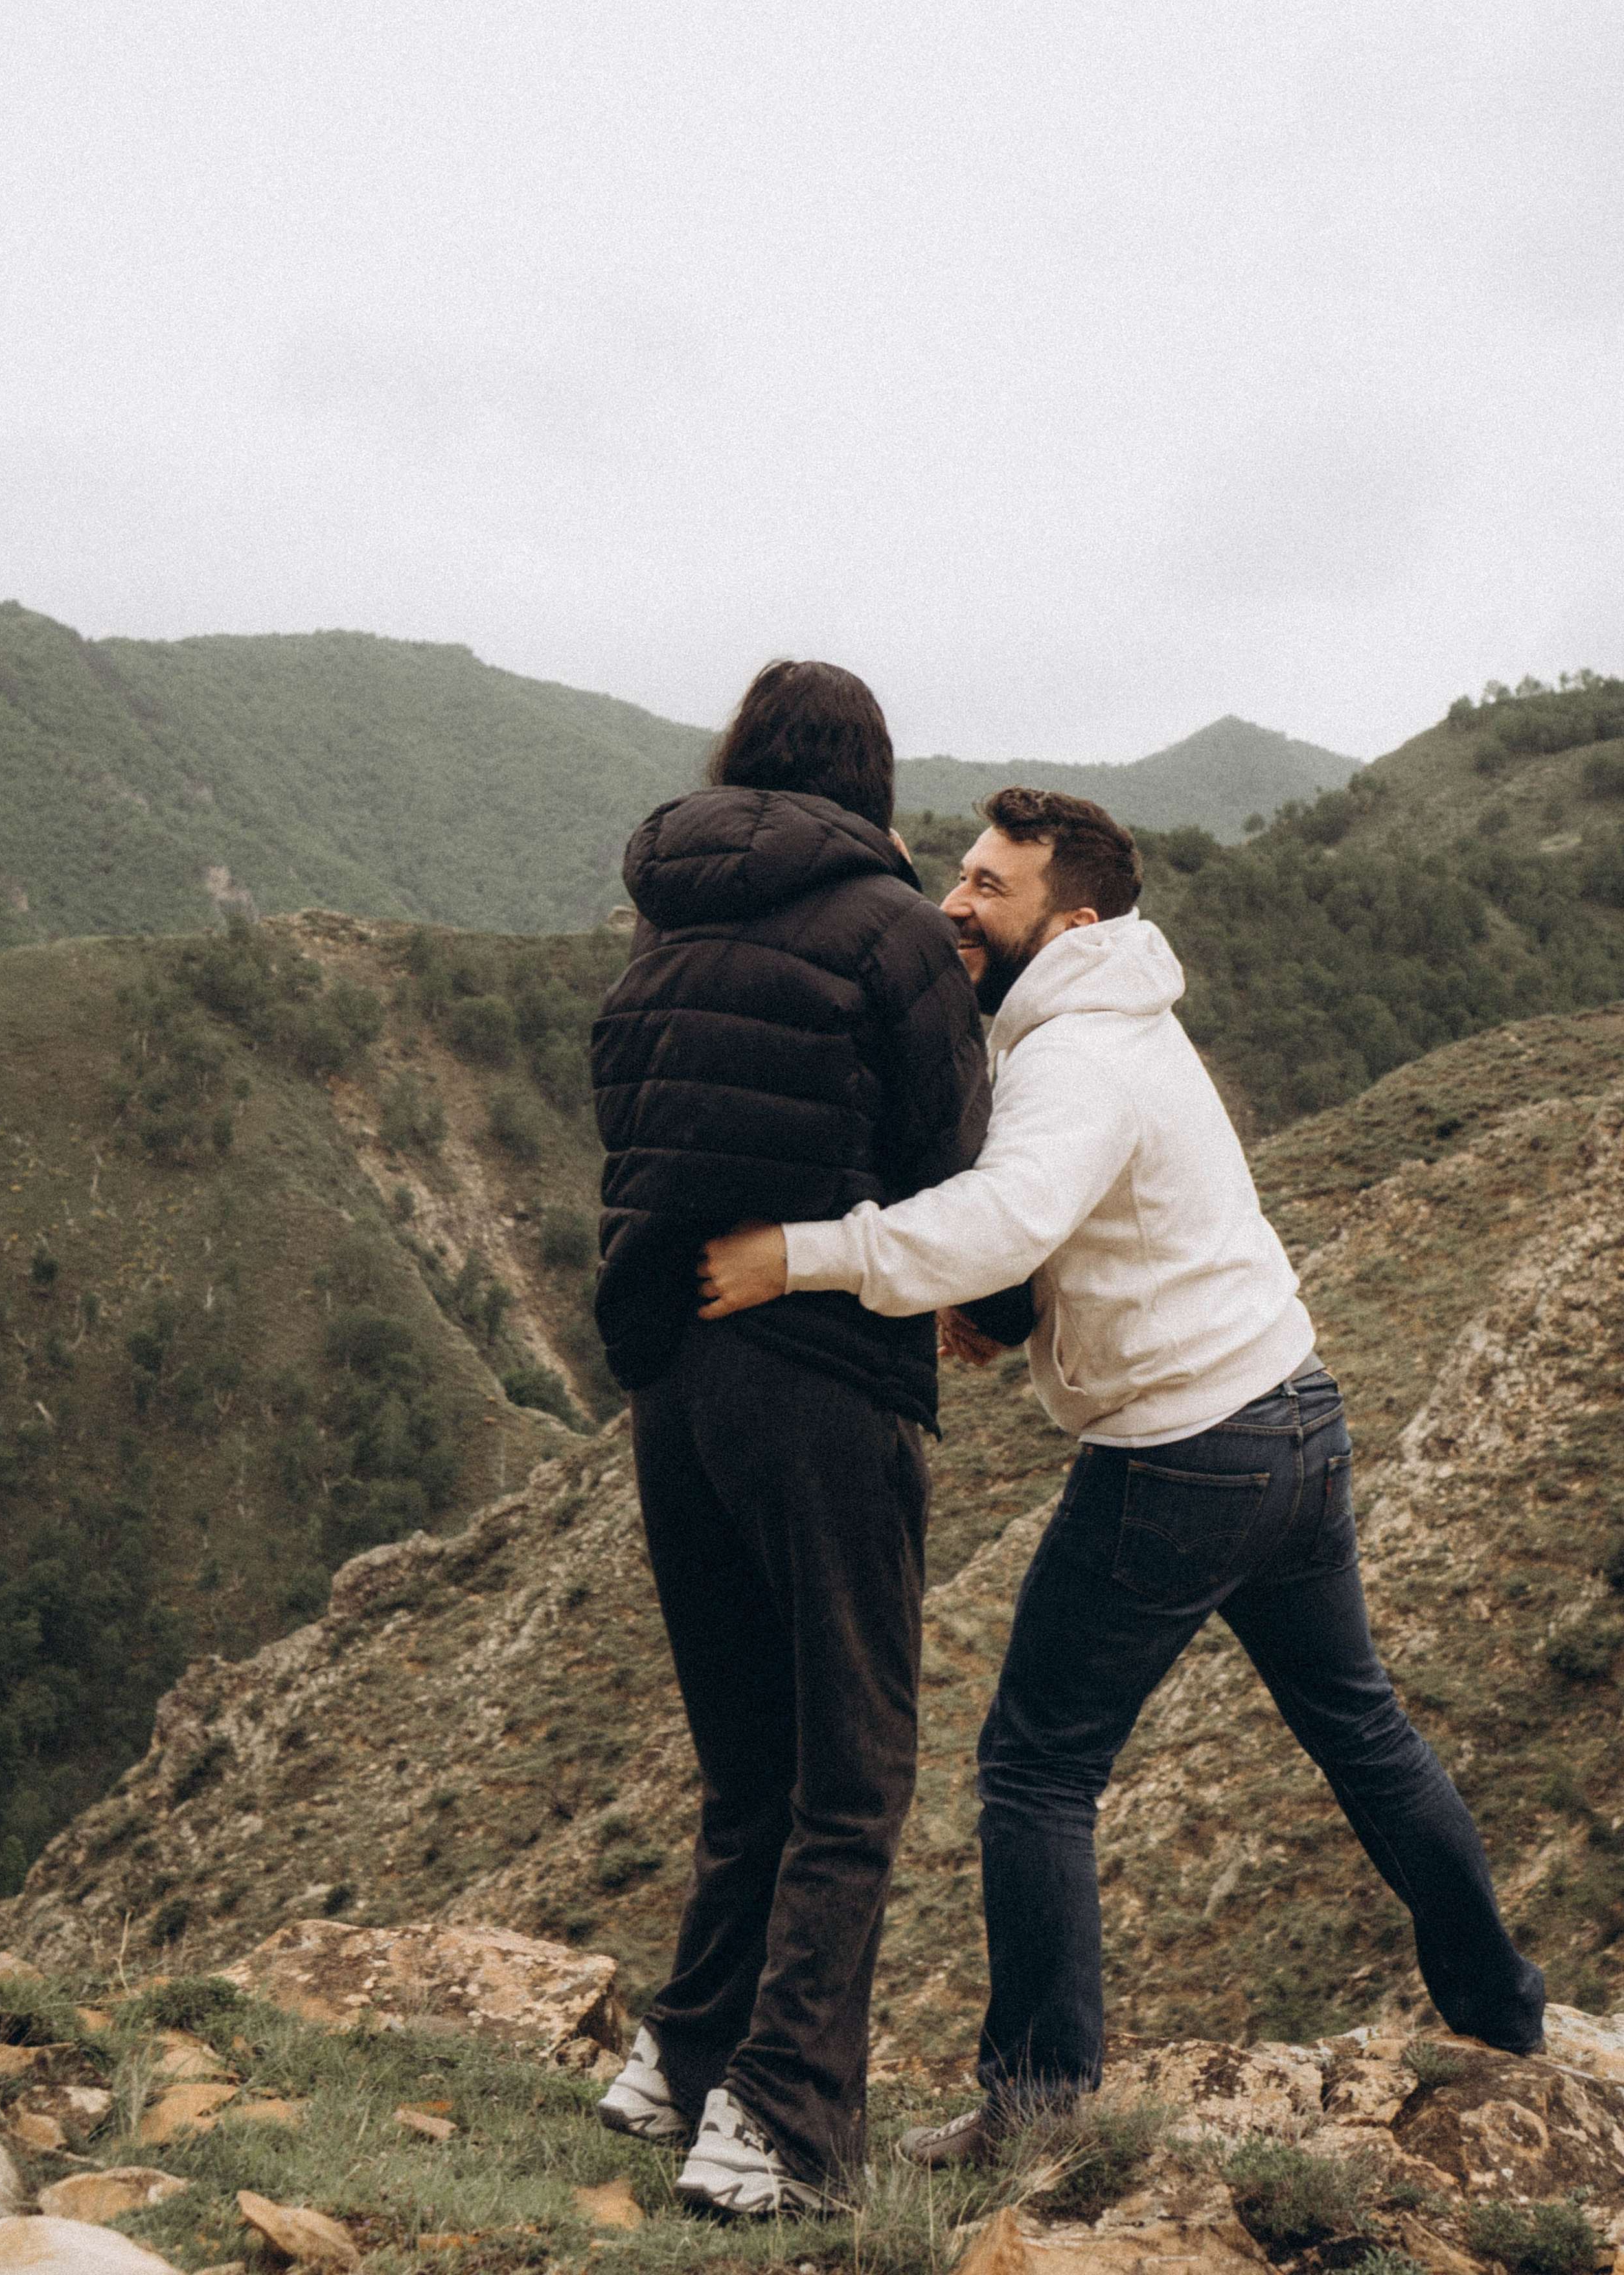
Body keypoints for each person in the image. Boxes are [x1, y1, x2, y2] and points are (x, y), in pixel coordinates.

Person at [698, 786, 1545, 2162]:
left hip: (1183, 1454)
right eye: (956, 876)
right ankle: (1502, 2011)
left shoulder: (1074, 1052)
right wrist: (1021, 1308)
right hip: (1291, 1413)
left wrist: (796, 1253)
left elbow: (1005, 1217)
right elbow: (1086, 1223)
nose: (952, 905)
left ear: (1070, 920)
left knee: (1034, 1768)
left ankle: (1032, 2109)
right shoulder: (1122, 1021)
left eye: (987, 888)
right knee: (1364, 1735)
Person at [590, 660, 998, 2214]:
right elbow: (952, 1157)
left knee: (746, 1748)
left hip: (671, 1370)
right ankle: (777, 2115)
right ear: (872, 785)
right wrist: (997, 1316)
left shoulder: (664, 916)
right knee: (855, 1761)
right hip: (824, 1371)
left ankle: (679, 2059)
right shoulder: (891, 927)